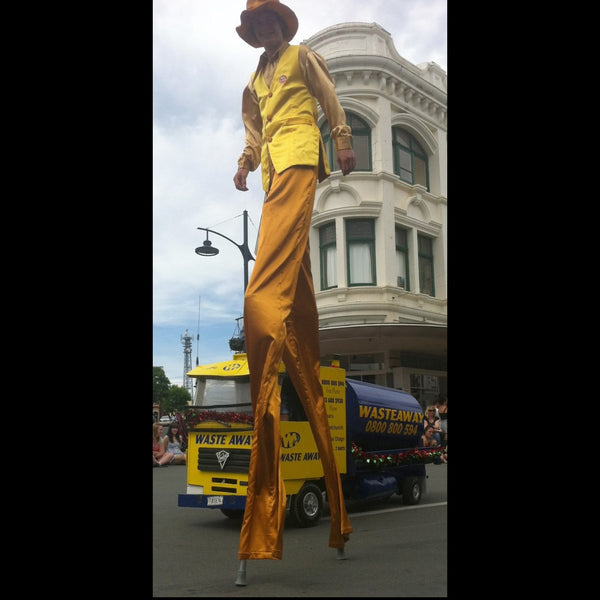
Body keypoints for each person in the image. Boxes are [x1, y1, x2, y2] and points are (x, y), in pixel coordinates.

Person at [232, 0, 354, 574]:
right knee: (297, 312)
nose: (268, 30)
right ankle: (339, 516)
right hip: (276, 174)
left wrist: (343, 137)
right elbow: (254, 133)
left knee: (261, 300)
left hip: (306, 159)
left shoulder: (304, 58)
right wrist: (244, 161)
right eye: (259, 25)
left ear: (284, 26)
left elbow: (330, 98)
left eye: (273, 22)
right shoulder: (253, 81)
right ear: (253, 34)